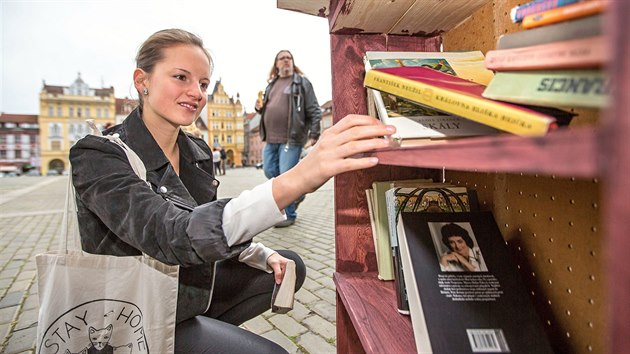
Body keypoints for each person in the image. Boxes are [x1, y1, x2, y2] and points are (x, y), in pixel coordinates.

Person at [69, 29, 395, 353]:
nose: (196, 92)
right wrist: (299, 177)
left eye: (203, 84)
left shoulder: (195, 150)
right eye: (181, 77)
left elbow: (203, 221)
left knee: (288, 264)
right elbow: (173, 235)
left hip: (182, 291)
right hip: (133, 316)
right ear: (143, 81)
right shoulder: (99, 154)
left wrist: (260, 253)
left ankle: (206, 335)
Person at [255, 50, 321, 228]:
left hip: (291, 139)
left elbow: (315, 109)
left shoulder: (301, 82)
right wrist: (259, 108)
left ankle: (289, 214)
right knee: (270, 172)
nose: (285, 60)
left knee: (286, 176)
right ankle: (297, 195)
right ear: (276, 64)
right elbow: (269, 108)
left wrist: (314, 134)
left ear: (293, 62)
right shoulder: (272, 85)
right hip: (270, 138)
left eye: (288, 58)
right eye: (281, 58)